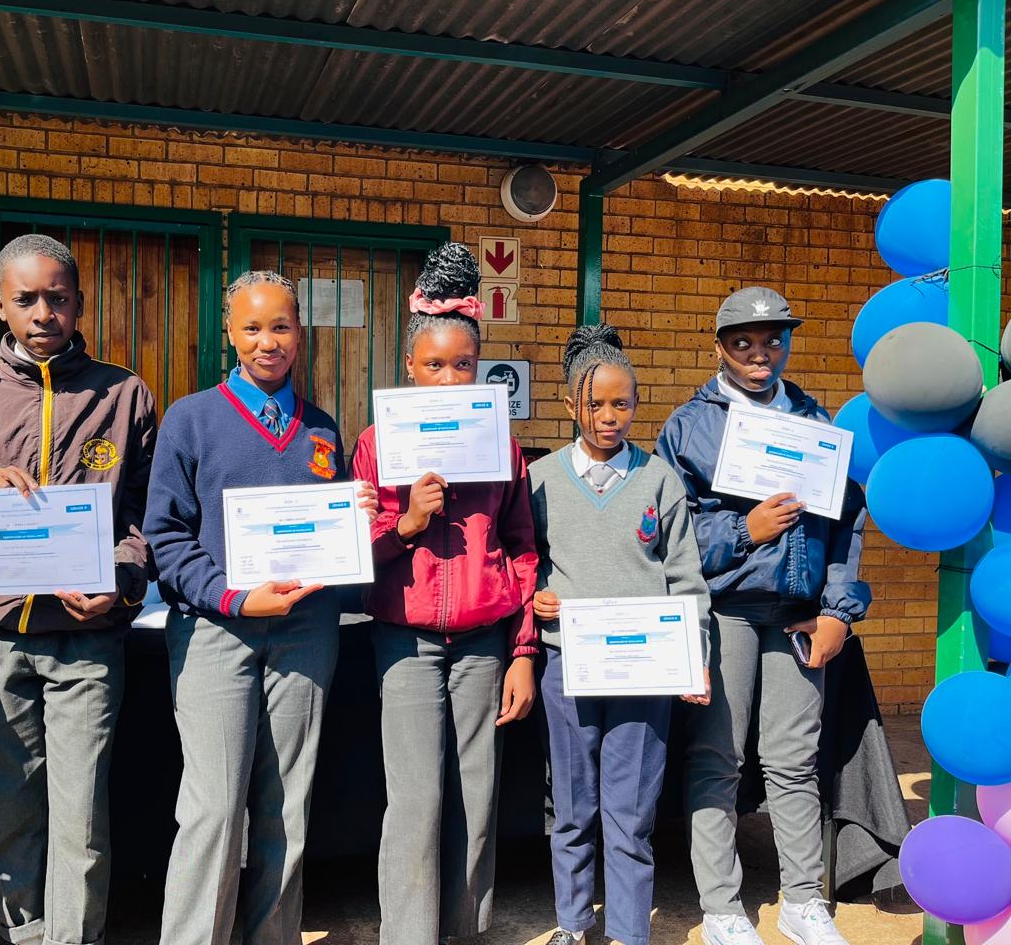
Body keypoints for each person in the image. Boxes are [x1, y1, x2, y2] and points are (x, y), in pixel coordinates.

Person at [144, 270, 374, 945]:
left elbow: (329, 538)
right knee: (214, 809)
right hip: (217, 631)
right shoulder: (191, 418)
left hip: (305, 633)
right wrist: (236, 596)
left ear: (300, 333)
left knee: (287, 807)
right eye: (252, 327)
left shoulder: (321, 427)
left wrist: (355, 517)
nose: (267, 341)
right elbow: (165, 537)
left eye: (280, 326)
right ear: (229, 332)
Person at [0, 233, 157, 945]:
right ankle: (26, 935)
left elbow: (145, 514)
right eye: (26, 299)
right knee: (10, 814)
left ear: (79, 303)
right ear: (0, 305)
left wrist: (121, 580)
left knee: (81, 819)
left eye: (57, 298)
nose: (43, 314)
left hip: (87, 641)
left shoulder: (123, 394)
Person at [655, 287, 870, 945]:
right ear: (719, 346)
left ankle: (804, 900)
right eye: (743, 341)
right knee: (717, 757)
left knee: (794, 759)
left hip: (798, 614)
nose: (760, 353)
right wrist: (743, 530)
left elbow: (846, 521)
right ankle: (722, 909)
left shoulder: (813, 418)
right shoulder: (688, 426)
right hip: (725, 610)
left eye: (774, 339)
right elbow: (669, 531)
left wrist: (838, 612)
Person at [350, 242, 538, 945]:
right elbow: (355, 550)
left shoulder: (504, 448)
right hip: (406, 642)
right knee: (416, 799)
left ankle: (464, 929)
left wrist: (523, 650)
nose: (450, 377)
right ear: (409, 366)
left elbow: (522, 548)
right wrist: (407, 523)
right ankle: (409, 934)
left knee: (475, 794)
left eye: (463, 365)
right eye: (434, 365)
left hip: (484, 642)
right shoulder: (376, 445)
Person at [530, 323, 711, 945]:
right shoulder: (540, 479)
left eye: (623, 403)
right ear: (570, 404)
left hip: (644, 671)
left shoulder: (659, 479)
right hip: (567, 664)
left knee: (631, 812)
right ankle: (573, 923)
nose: (610, 417)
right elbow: (526, 560)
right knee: (572, 807)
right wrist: (536, 598)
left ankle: (631, 931)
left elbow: (685, 576)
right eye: (596, 404)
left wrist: (694, 656)